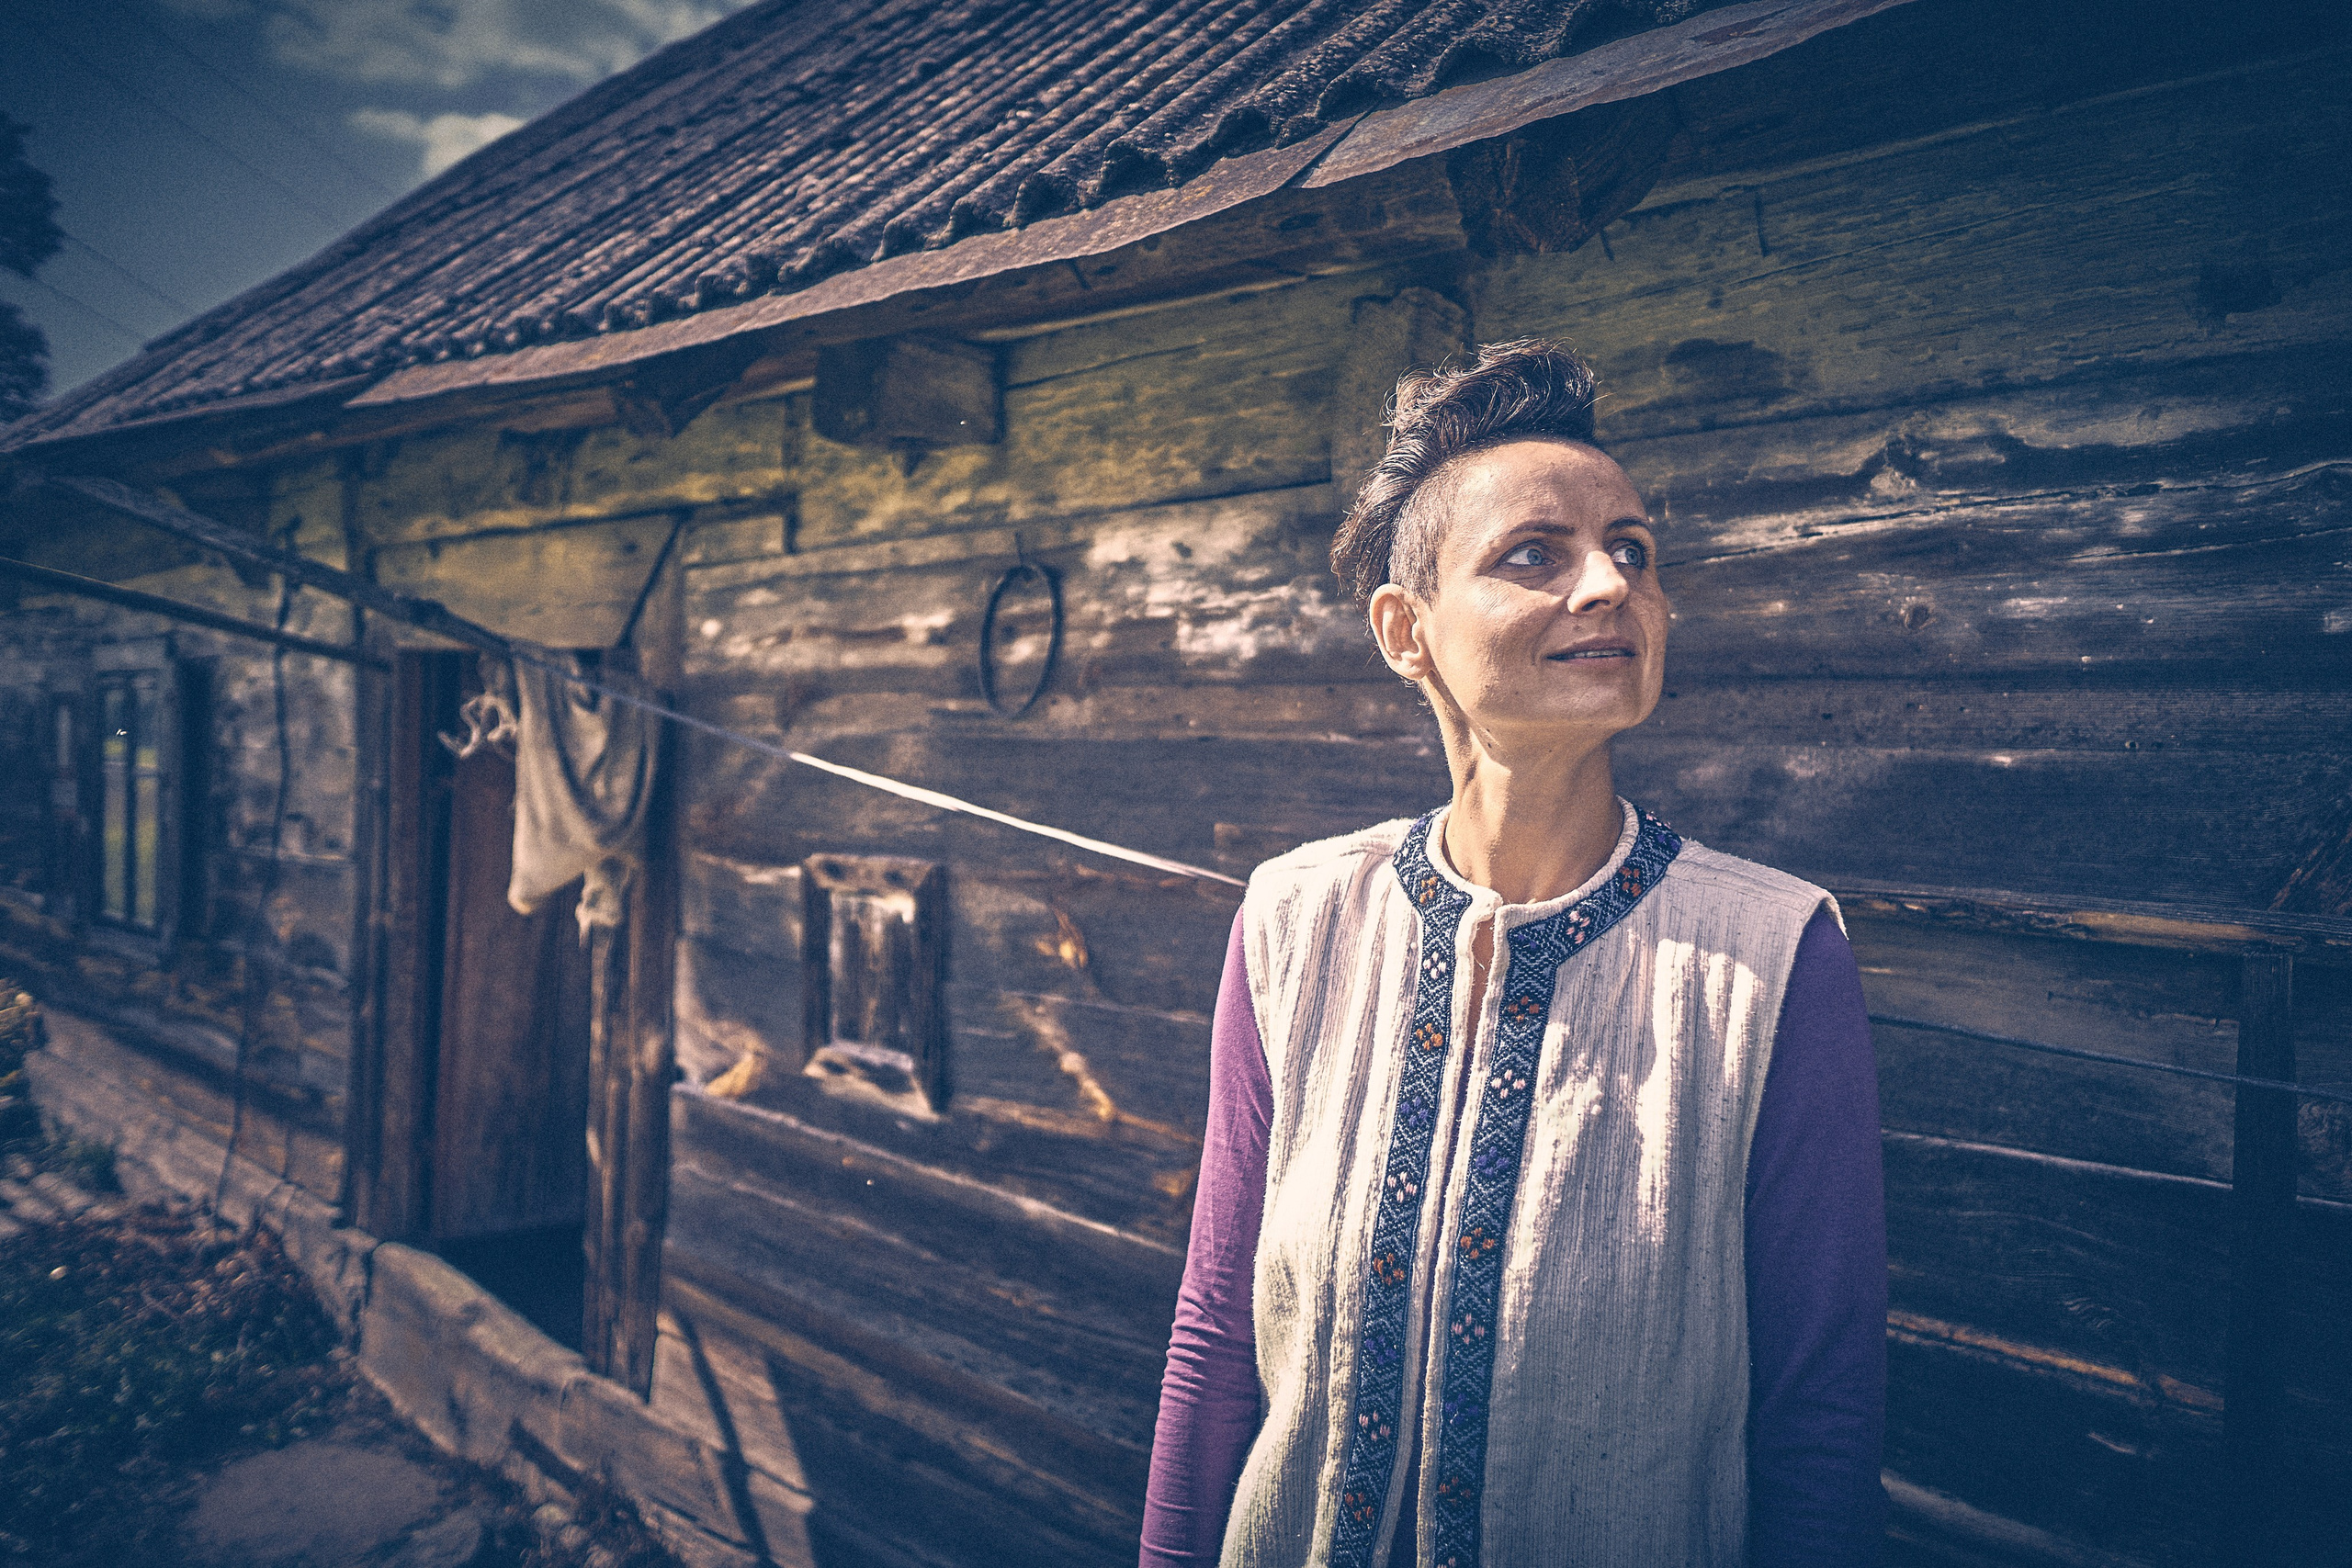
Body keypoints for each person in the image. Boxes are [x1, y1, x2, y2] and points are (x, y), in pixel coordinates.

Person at [1139, 340, 1886, 1568]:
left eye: (1634, 551)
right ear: (1406, 630)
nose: (1610, 584)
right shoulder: (1292, 922)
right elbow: (1221, 1333)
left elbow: (1821, 1410)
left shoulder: (1771, 958)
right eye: (1534, 554)